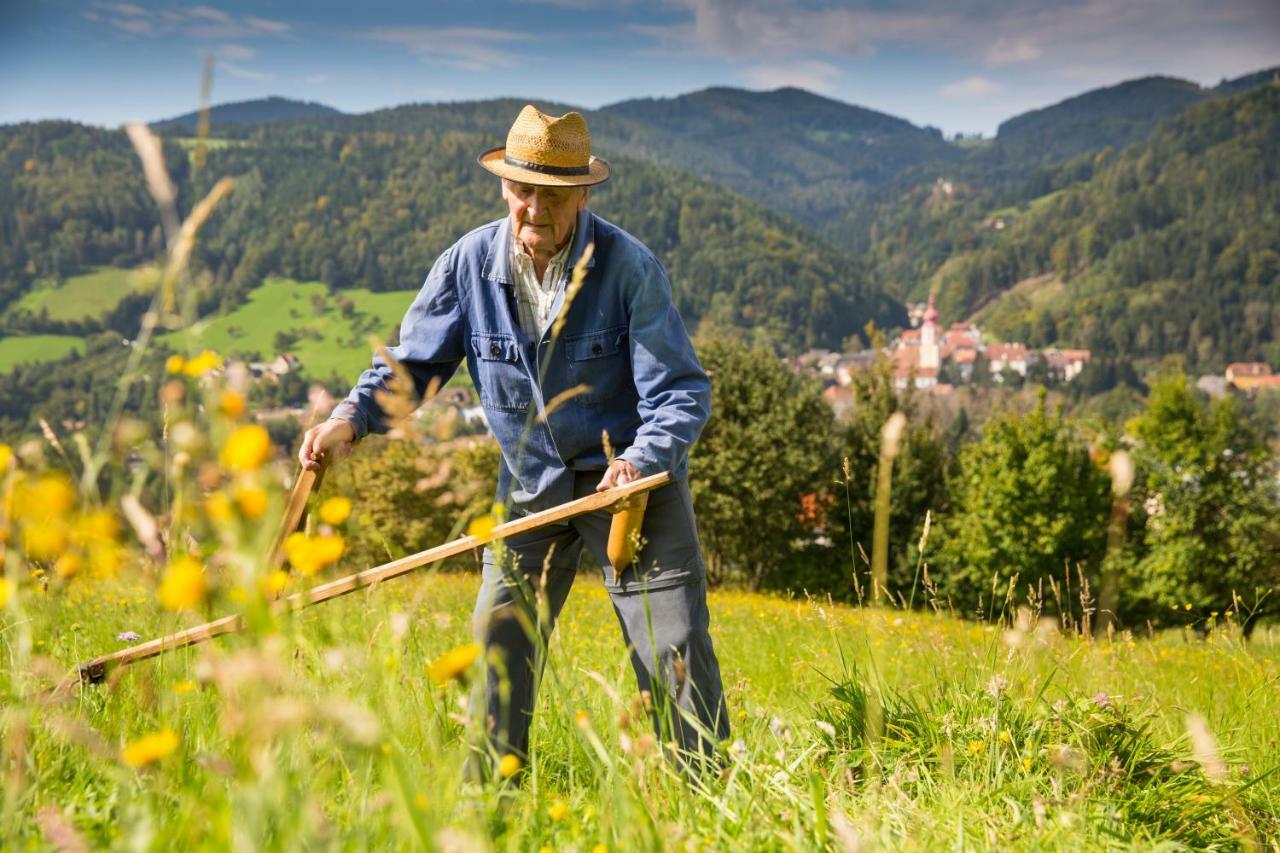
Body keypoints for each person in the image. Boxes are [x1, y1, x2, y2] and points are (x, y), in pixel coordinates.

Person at [298, 105, 729, 773]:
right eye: (523, 190)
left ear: (582, 193)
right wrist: (350, 419)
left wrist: (640, 462)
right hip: (529, 487)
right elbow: (414, 365)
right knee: (499, 640)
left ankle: (704, 805)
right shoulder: (468, 263)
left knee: (672, 644)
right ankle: (489, 811)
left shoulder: (627, 268)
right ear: (504, 186)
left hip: (630, 489)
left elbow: (680, 391)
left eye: (554, 194)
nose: (535, 208)